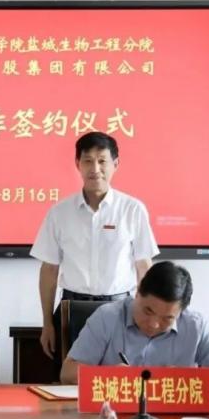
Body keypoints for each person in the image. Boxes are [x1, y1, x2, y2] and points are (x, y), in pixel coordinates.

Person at [31, 131, 159, 359]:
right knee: (70, 376)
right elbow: (49, 270)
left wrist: (148, 315)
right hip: (72, 308)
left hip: (120, 308)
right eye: (88, 161)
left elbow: (144, 268)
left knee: (119, 375)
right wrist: (47, 323)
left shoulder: (132, 209)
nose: (95, 168)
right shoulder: (59, 213)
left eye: (102, 161)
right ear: (77, 164)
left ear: (115, 164)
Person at [60, 261, 209, 406]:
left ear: (181, 312)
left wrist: (190, 377)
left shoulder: (195, 325)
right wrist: (107, 376)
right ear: (137, 293)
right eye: (147, 311)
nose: (154, 324)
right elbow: (67, 372)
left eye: (167, 318)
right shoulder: (106, 317)